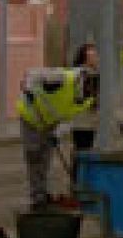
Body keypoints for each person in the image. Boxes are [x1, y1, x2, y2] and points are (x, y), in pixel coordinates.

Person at [16, 68, 95, 211]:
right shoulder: (62, 78)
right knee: (34, 155)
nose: (86, 95)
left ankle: (41, 194)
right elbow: (32, 74)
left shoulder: (85, 101)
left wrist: (57, 134)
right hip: (30, 117)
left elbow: (69, 118)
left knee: (45, 158)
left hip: (50, 123)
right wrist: (28, 87)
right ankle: (37, 196)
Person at [70, 43, 99, 151]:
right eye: (94, 56)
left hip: (89, 119)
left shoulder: (93, 73)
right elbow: (79, 96)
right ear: (86, 58)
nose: (97, 59)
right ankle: (77, 167)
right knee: (82, 149)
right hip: (82, 119)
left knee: (85, 148)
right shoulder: (81, 74)